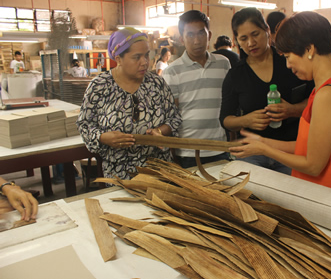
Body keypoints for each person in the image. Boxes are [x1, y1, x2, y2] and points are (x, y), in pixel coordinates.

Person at [229, 11, 331, 196]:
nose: (287, 65)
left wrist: (265, 149)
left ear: (309, 49)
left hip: (329, 197)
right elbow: (308, 146)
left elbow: (313, 165)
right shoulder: (330, 86)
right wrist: (262, 141)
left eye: (287, 56)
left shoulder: (328, 95)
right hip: (325, 194)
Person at [77, 27, 182, 179]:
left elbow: (174, 118)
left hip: (158, 170)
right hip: (119, 174)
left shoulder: (156, 84)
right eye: (137, 57)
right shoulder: (99, 86)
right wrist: (104, 137)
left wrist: (160, 131)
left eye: (147, 55)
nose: (145, 62)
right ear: (118, 58)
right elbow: (85, 125)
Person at [220, 7, 313, 175]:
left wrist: (293, 110)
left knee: (293, 198)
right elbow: (225, 119)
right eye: (243, 38)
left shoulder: (290, 62)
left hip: (291, 148)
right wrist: (245, 120)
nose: (250, 43)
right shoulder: (236, 75)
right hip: (253, 152)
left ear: (267, 31)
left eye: (255, 34)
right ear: (237, 41)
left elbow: (315, 100)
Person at [162, 10, 231, 169]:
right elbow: (172, 115)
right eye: (190, 35)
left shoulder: (224, 64)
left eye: (201, 33)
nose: (197, 41)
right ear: (181, 39)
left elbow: (229, 104)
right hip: (187, 152)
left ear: (209, 34)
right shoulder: (172, 71)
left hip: (219, 147)